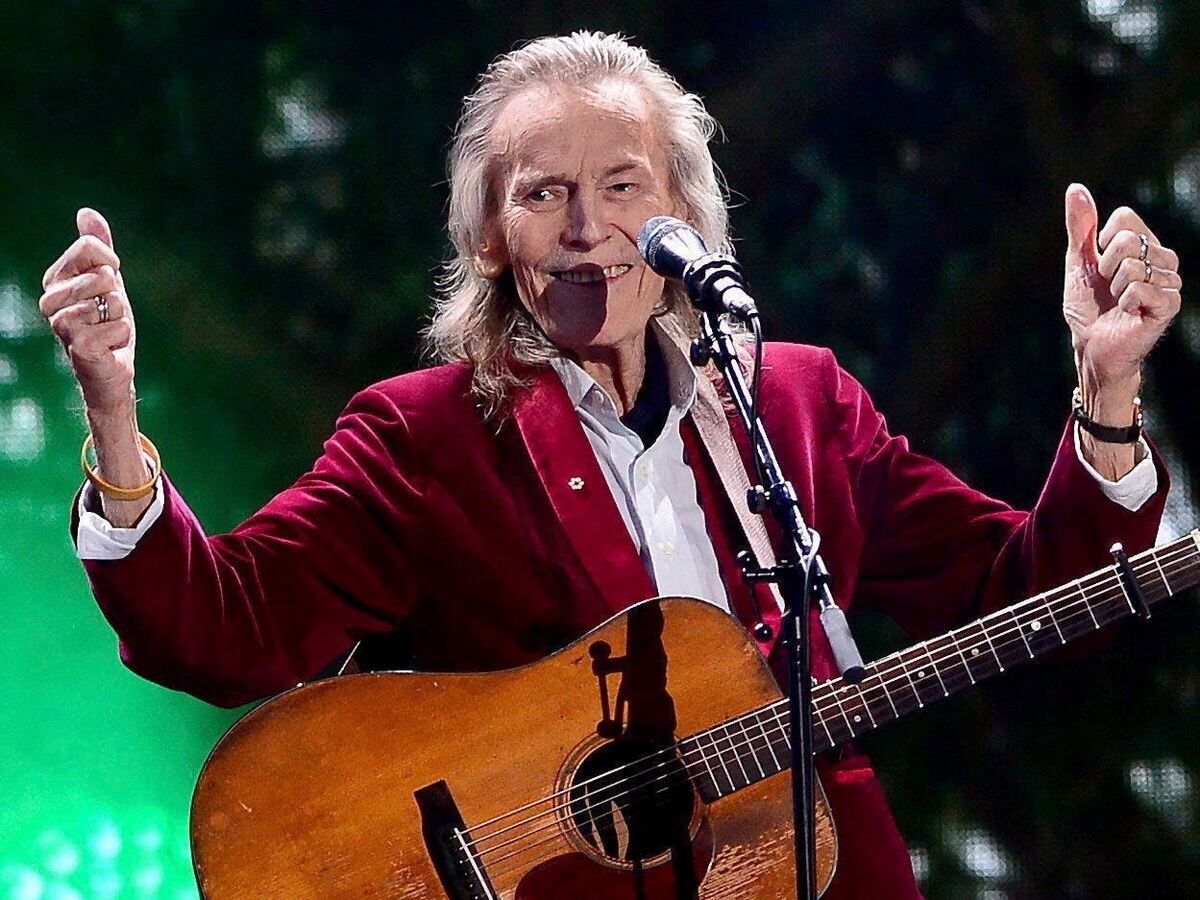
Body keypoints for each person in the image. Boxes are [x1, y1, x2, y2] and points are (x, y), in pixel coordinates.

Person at [39, 31, 1181, 899]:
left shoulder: (799, 403)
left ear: (686, 211)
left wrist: (1111, 384)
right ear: (490, 236)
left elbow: (1034, 595)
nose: (588, 226)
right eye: (543, 194)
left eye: (624, 186)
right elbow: (222, 625)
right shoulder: (425, 437)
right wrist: (115, 413)